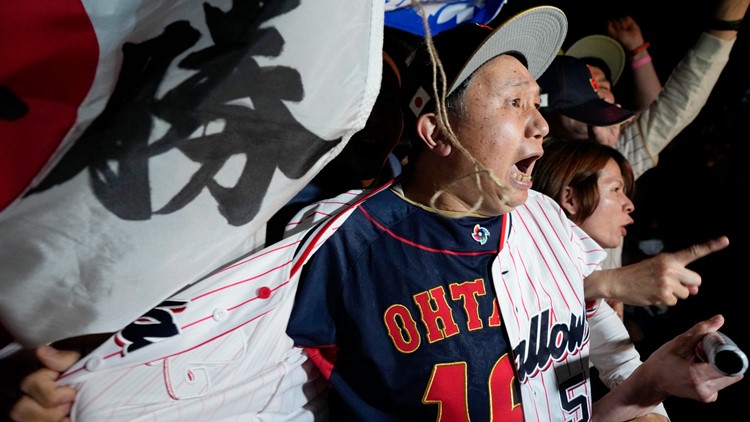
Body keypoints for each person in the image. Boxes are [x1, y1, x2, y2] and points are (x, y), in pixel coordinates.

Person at [10, 7, 743, 422]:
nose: (541, 124)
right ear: (437, 132)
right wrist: (93, 384)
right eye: (515, 103)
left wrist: (649, 383)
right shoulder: (343, 240)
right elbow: (220, 338)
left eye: (539, 105)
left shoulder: (552, 229)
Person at [541, 0, 749, 307]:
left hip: (597, 342)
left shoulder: (617, 151)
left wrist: (725, 22)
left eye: (606, 86)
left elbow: (679, 102)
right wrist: (612, 283)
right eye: (588, 84)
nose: (600, 92)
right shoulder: (523, 162)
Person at [533, 138, 669, 420]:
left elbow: (626, 367)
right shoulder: (509, 264)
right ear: (570, 198)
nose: (629, 204)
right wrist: (606, 283)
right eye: (616, 189)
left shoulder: (592, 292)